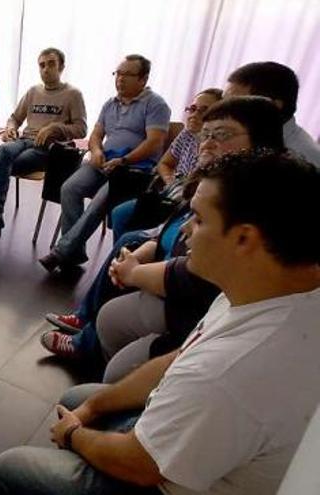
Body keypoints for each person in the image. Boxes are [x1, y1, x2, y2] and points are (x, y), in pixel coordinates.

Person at [0, 148, 320, 495]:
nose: (186, 231)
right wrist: (93, 409)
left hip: (159, 481)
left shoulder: (235, 370)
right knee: (82, 397)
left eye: (200, 218)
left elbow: (140, 466)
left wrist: (74, 436)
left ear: (245, 238)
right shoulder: (263, 292)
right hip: (184, 441)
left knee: (10, 468)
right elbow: (177, 359)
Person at [40, 96, 286, 379]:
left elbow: (193, 273)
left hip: (185, 298)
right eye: (205, 132)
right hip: (157, 192)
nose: (206, 142)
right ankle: (84, 309)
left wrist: (133, 272)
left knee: (116, 215)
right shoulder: (209, 176)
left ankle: (73, 271)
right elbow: (169, 190)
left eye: (221, 134)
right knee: (103, 215)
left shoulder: (245, 197)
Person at [39, 54, 170, 272]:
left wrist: (124, 160)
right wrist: (97, 150)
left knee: (99, 202)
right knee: (69, 189)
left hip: (133, 169)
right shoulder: (110, 104)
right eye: (118, 73)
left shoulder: (156, 104)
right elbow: (96, 135)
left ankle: (62, 252)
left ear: (143, 79)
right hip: (104, 162)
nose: (120, 79)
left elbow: (155, 142)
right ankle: (74, 254)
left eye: (127, 74)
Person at [0, 48, 87, 240]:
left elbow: (81, 129)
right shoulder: (33, 91)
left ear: (61, 67)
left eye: (51, 64)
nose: (46, 69)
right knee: (2, 151)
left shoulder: (73, 94)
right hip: (24, 139)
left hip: (47, 149)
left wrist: (55, 128)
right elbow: (14, 118)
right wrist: (10, 128)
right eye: (42, 65)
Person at [108, 88, 223, 240]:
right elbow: (165, 163)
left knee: (130, 235)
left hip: (189, 204)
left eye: (203, 111)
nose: (194, 115)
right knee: (119, 213)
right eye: (193, 109)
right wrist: (170, 181)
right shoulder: (186, 134)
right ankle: (125, 254)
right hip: (171, 192)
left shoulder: (217, 146)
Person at [225, 61, 320, 168]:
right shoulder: (241, 137)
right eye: (223, 101)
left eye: (236, 103)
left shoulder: (305, 159)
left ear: (272, 106)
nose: (223, 110)